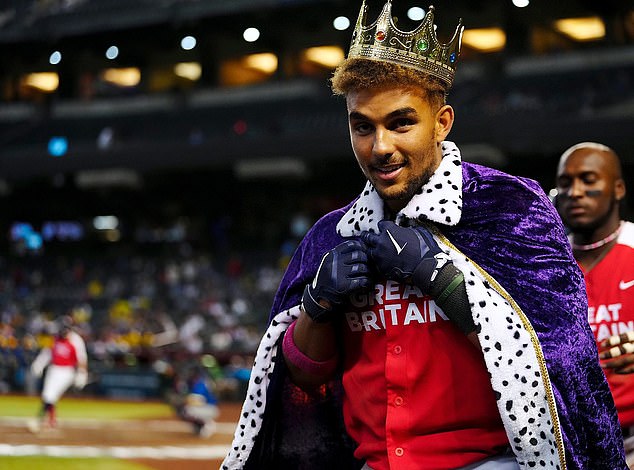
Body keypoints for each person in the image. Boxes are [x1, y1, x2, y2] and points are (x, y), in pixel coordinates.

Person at [222, 2, 626, 469]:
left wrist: (444, 279)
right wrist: (317, 306)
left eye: (400, 123)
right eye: (362, 127)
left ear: (443, 122)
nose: (381, 148)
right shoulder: (329, 235)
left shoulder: (509, 208)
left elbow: (555, 359)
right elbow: (303, 376)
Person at [555, 142, 634, 466]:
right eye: (565, 183)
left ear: (617, 188)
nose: (575, 192)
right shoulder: (543, 261)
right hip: (568, 439)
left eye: (588, 180)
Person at [29, 315, 88, 431]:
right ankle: (52, 420)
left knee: (50, 395)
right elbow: (47, 353)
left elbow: (82, 358)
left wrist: (82, 373)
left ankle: (39, 419)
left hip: (67, 371)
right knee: (49, 395)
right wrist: (39, 364)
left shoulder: (75, 340)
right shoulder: (55, 338)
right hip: (54, 369)